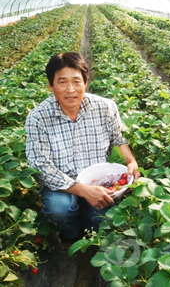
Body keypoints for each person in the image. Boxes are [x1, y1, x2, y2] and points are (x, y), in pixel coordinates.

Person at [25, 52, 140, 244]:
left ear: (85, 83)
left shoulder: (105, 107)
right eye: (62, 82)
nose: (70, 89)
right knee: (59, 209)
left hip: (98, 179)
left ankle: (90, 233)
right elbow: (41, 166)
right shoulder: (38, 118)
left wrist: (131, 161)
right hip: (60, 185)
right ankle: (71, 235)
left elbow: (118, 140)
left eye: (76, 81)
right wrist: (84, 191)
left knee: (99, 219)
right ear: (50, 85)